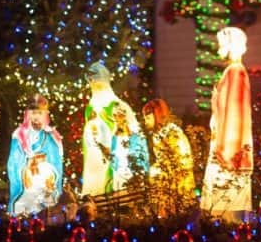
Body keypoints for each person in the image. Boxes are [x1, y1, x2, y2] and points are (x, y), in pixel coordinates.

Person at [200, 27, 253, 221]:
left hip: (228, 149)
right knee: (222, 202)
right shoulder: (231, 72)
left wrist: (228, 152)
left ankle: (228, 236)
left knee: (227, 204)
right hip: (221, 142)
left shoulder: (235, 72)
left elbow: (234, 113)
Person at [81, 62, 141, 196]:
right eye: (91, 81)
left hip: (115, 155)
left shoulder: (117, 105)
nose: (94, 84)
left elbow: (131, 130)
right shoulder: (91, 107)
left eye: (96, 80)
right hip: (95, 158)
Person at [7, 95, 63, 216]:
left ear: (45, 114)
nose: (36, 116)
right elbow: (14, 161)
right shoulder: (19, 135)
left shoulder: (50, 135)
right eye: (33, 112)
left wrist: (51, 174)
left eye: (40, 112)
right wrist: (27, 166)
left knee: (46, 202)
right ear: (28, 114)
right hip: (28, 178)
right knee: (26, 202)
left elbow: (56, 159)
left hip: (46, 177)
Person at [143, 98, 195, 216]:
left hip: (177, 180)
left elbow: (178, 160)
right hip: (166, 178)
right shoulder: (157, 133)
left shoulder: (170, 132)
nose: (145, 121)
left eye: (148, 118)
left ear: (157, 116)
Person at [110, 102, 149, 192]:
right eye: (115, 116)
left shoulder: (137, 138)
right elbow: (113, 158)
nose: (117, 119)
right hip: (120, 178)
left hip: (135, 177)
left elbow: (144, 157)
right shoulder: (114, 139)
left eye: (120, 116)